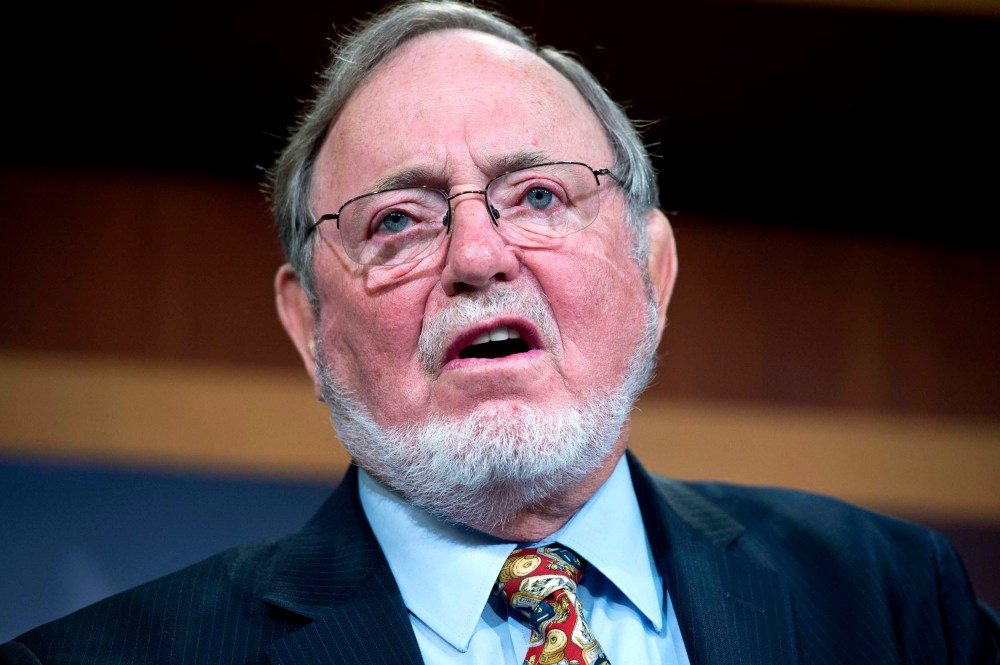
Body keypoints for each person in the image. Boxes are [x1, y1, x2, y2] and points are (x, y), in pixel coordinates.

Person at [3, 1, 997, 663]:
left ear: (652, 272)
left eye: (537, 194)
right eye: (398, 220)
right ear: (308, 324)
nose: (477, 255)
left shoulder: (893, 599)